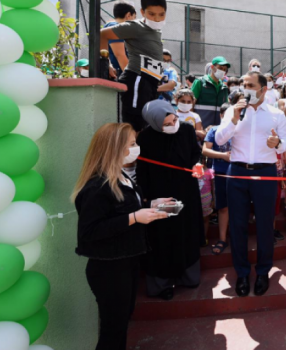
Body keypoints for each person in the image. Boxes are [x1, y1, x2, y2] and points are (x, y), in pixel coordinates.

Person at [72, 123, 171, 349]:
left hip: (127, 261)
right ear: (114, 148)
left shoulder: (123, 177)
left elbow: (123, 208)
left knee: (121, 324)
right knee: (112, 330)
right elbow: (89, 232)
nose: (137, 148)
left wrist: (151, 205)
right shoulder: (97, 186)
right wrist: (135, 217)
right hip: (109, 268)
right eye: (132, 144)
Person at [215, 72, 286, 297]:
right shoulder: (233, 110)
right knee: (237, 225)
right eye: (243, 84)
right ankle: (242, 272)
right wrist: (234, 118)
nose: (244, 88)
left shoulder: (276, 114)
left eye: (250, 85)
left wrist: (277, 143)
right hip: (237, 172)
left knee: (265, 224)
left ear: (263, 89)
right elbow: (219, 139)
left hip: (265, 174)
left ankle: (263, 271)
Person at [136, 99, 205, 300]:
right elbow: (142, 171)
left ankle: (188, 277)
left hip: (187, 192)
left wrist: (197, 165)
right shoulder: (146, 138)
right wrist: (147, 198)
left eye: (174, 120)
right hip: (161, 196)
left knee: (187, 233)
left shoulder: (186, 130)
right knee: (163, 237)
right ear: (155, 123)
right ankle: (161, 284)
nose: (172, 125)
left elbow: (195, 153)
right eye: (166, 124)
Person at [100, 0, 167, 132]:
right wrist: (105, 63)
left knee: (146, 125)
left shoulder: (155, 30)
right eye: (152, 14)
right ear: (142, 12)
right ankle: (129, 152)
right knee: (133, 126)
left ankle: (139, 152)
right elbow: (102, 34)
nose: (157, 18)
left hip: (151, 82)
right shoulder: (135, 26)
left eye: (161, 14)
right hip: (137, 79)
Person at [202, 104, 232, 256]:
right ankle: (222, 239)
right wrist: (223, 156)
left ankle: (238, 236)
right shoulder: (214, 130)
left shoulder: (241, 130)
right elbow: (205, 150)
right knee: (223, 208)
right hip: (221, 173)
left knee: (240, 207)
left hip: (239, 174)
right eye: (227, 114)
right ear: (221, 115)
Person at [192, 56, 231, 128]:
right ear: (212, 67)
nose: (223, 71)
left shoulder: (224, 88)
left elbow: (226, 108)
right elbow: (191, 104)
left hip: (218, 129)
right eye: (220, 68)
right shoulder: (200, 82)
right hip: (201, 128)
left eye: (225, 69)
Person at [103, 1, 135, 77]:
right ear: (128, 15)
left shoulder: (111, 26)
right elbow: (120, 55)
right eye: (134, 17)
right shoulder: (116, 27)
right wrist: (131, 77)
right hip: (118, 74)